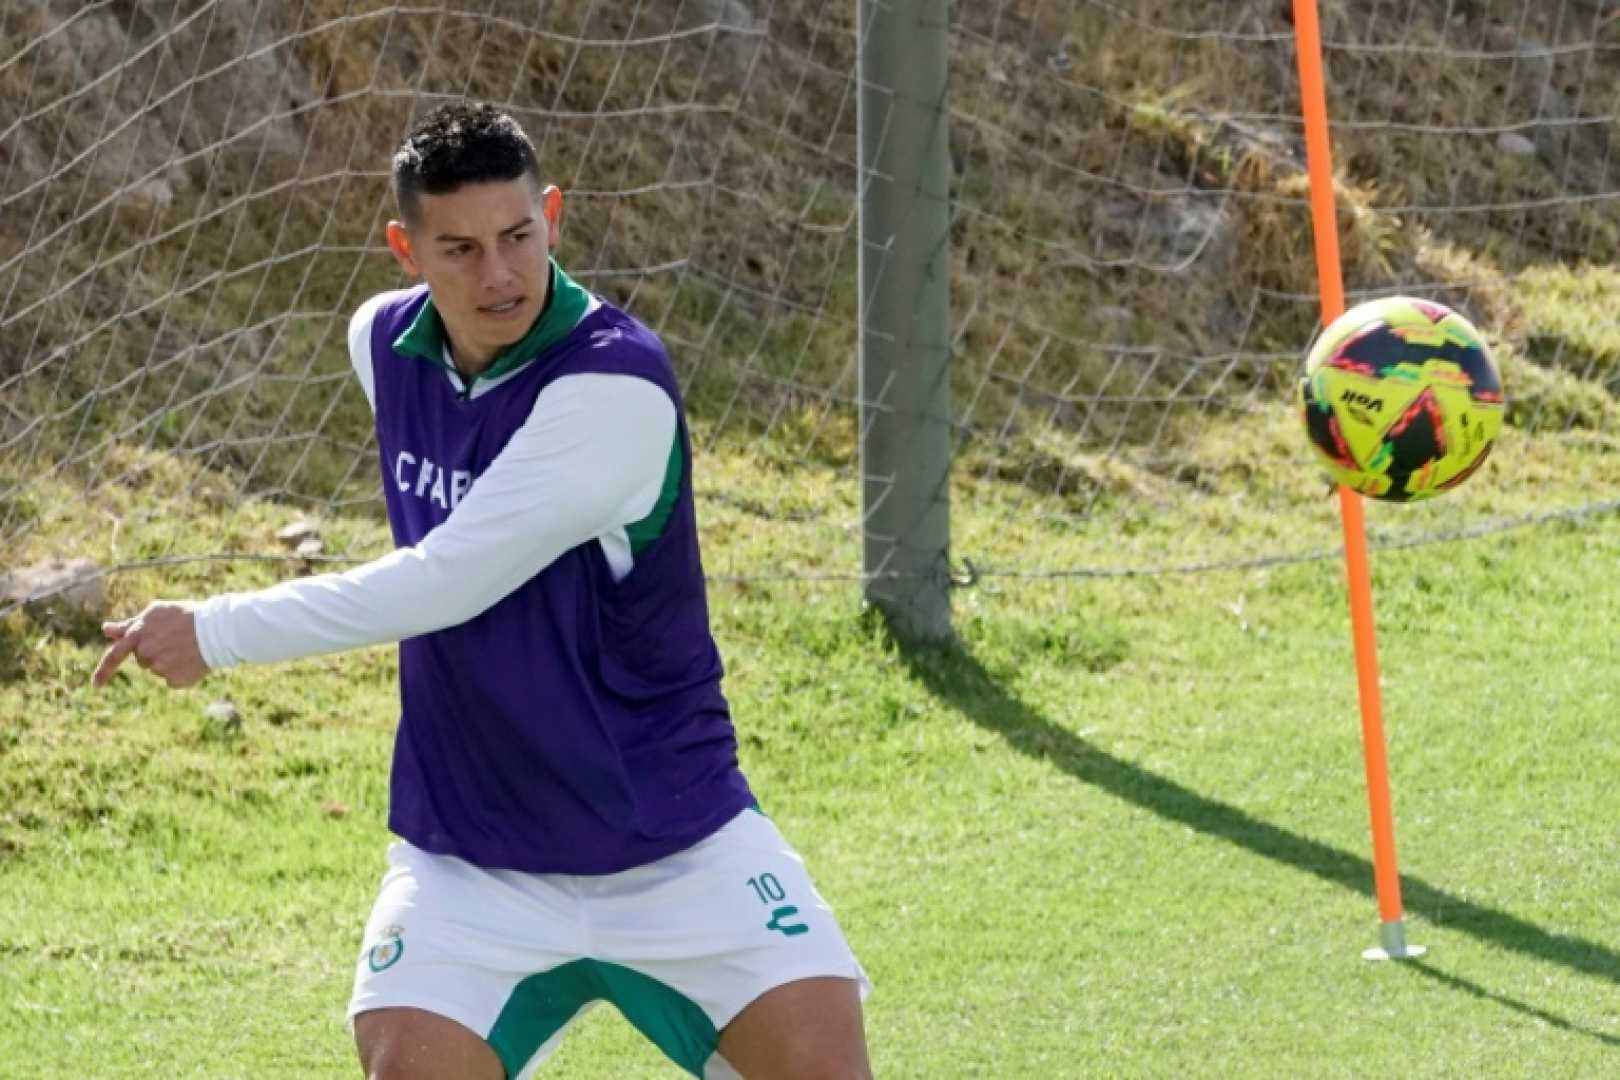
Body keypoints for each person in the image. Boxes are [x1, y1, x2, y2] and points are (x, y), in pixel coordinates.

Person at [92, 101, 872, 1080]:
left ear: (552, 212)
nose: (499, 275)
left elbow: (445, 583)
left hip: (674, 839)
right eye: (459, 249)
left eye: (518, 236)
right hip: (471, 860)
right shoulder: (379, 342)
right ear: (403, 248)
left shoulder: (614, 388)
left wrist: (215, 632)